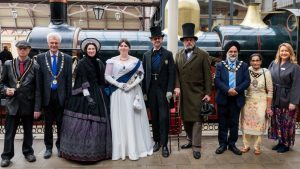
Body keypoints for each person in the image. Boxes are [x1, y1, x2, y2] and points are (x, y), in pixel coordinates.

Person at [60, 38, 112, 161]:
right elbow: (80, 79)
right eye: (89, 49)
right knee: (85, 123)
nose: (91, 50)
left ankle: (99, 151)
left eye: (93, 48)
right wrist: (87, 96)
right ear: (85, 50)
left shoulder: (99, 62)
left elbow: (104, 78)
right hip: (86, 93)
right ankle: (82, 152)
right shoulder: (82, 62)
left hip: (99, 93)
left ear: (96, 50)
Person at [105, 38, 153, 161]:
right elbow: (107, 76)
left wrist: (130, 85)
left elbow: (140, 75)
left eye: (125, 45)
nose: (123, 47)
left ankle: (135, 148)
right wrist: (119, 85)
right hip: (118, 93)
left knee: (133, 118)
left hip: (133, 92)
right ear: (118, 48)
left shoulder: (136, 61)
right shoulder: (111, 61)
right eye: (121, 45)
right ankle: (121, 150)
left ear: (129, 48)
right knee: (119, 120)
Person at [0, 41, 41, 167]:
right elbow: (1, 84)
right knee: (9, 132)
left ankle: (28, 152)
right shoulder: (8, 64)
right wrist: (6, 90)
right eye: (20, 48)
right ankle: (6, 156)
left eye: (25, 49)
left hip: (28, 104)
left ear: (29, 50)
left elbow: (38, 89)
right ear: (17, 50)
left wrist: (37, 108)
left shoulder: (35, 66)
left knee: (28, 131)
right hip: (12, 104)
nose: (22, 51)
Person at [174, 23, 212, 159]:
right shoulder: (178, 55)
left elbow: (208, 75)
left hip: (197, 93)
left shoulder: (202, 55)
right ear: (183, 41)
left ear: (194, 41)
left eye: (191, 39)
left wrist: (208, 93)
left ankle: (196, 146)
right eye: (186, 39)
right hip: (183, 92)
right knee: (185, 118)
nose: (188, 41)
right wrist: (177, 86)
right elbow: (176, 74)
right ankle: (190, 140)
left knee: (197, 120)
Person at [36, 32, 72, 159]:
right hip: (47, 97)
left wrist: (68, 99)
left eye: (56, 43)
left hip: (61, 97)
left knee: (62, 124)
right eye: (52, 42)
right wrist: (38, 104)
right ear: (48, 43)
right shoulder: (40, 58)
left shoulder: (67, 58)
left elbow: (68, 81)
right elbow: (39, 82)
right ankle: (48, 148)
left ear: (59, 44)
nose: (54, 45)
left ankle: (61, 147)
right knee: (48, 125)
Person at [142, 26, 175, 158]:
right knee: (154, 117)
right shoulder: (146, 55)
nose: (157, 40)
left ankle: (165, 144)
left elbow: (172, 74)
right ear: (152, 40)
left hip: (163, 90)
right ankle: (156, 141)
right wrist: (144, 91)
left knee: (164, 117)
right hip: (151, 90)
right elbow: (143, 74)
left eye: (159, 38)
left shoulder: (168, 54)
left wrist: (169, 90)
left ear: (161, 39)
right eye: (155, 38)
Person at [214, 40, 250, 156]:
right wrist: (228, 90)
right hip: (223, 98)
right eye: (231, 51)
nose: (233, 53)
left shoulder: (243, 65)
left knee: (234, 123)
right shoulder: (220, 65)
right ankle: (222, 144)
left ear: (238, 53)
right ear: (227, 53)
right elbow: (217, 80)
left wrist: (236, 90)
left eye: (235, 51)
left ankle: (232, 144)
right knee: (223, 123)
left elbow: (247, 81)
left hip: (237, 98)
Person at [268, 43, 300, 153]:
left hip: (287, 98)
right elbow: (268, 79)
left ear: (290, 52)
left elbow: (297, 85)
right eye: (282, 50)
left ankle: (286, 144)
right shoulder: (273, 63)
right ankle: (280, 141)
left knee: (287, 122)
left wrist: (294, 102)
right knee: (277, 121)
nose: (284, 53)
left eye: (286, 51)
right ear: (279, 52)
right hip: (275, 96)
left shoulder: (295, 67)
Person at [239, 53, 273, 155]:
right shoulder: (246, 70)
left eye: (257, 60)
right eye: (253, 61)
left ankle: (257, 146)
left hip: (261, 101)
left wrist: (268, 107)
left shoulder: (266, 72)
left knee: (259, 123)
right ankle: (246, 145)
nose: (255, 62)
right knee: (246, 122)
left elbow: (270, 91)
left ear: (261, 61)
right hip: (248, 100)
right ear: (250, 62)